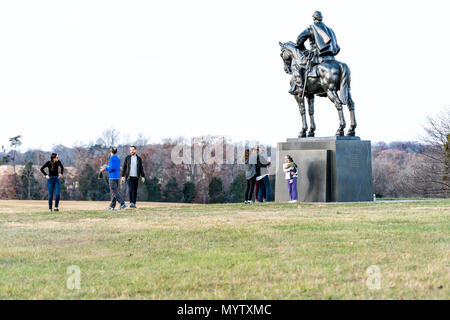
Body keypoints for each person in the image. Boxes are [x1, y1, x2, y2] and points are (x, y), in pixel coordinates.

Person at [289, 11, 341, 95]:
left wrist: (304, 50)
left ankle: (299, 88)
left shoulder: (311, 29)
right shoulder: (330, 30)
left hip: (317, 57)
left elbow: (299, 39)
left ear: (314, 18)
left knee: (298, 66)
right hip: (331, 57)